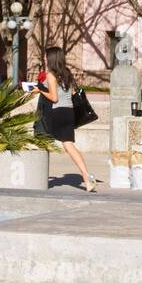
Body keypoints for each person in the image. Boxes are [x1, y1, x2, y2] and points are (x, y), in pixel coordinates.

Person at [40, 45, 97, 192]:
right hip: (69, 112)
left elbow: (54, 98)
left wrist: (39, 89)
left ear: (51, 58)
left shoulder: (51, 75)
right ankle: (87, 179)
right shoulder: (67, 73)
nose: (45, 59)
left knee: (41, 137)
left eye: (46, 56)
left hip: (57, 112)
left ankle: (38, 176)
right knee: (69, 146)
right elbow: (70, 94)